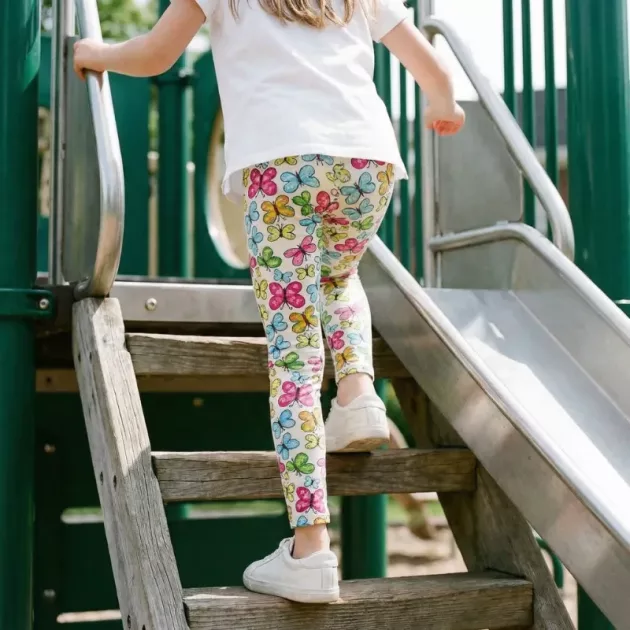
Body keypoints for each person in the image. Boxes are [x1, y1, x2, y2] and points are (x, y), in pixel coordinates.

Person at [74, 0, 464, 604]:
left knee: (295, 361)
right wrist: (444, 105)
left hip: (282, 166)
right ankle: (358, 393)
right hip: (367, 164)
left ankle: (309, 549)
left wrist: (94, 54)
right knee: (339, 275)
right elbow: (429, 66)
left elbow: (156, 54)